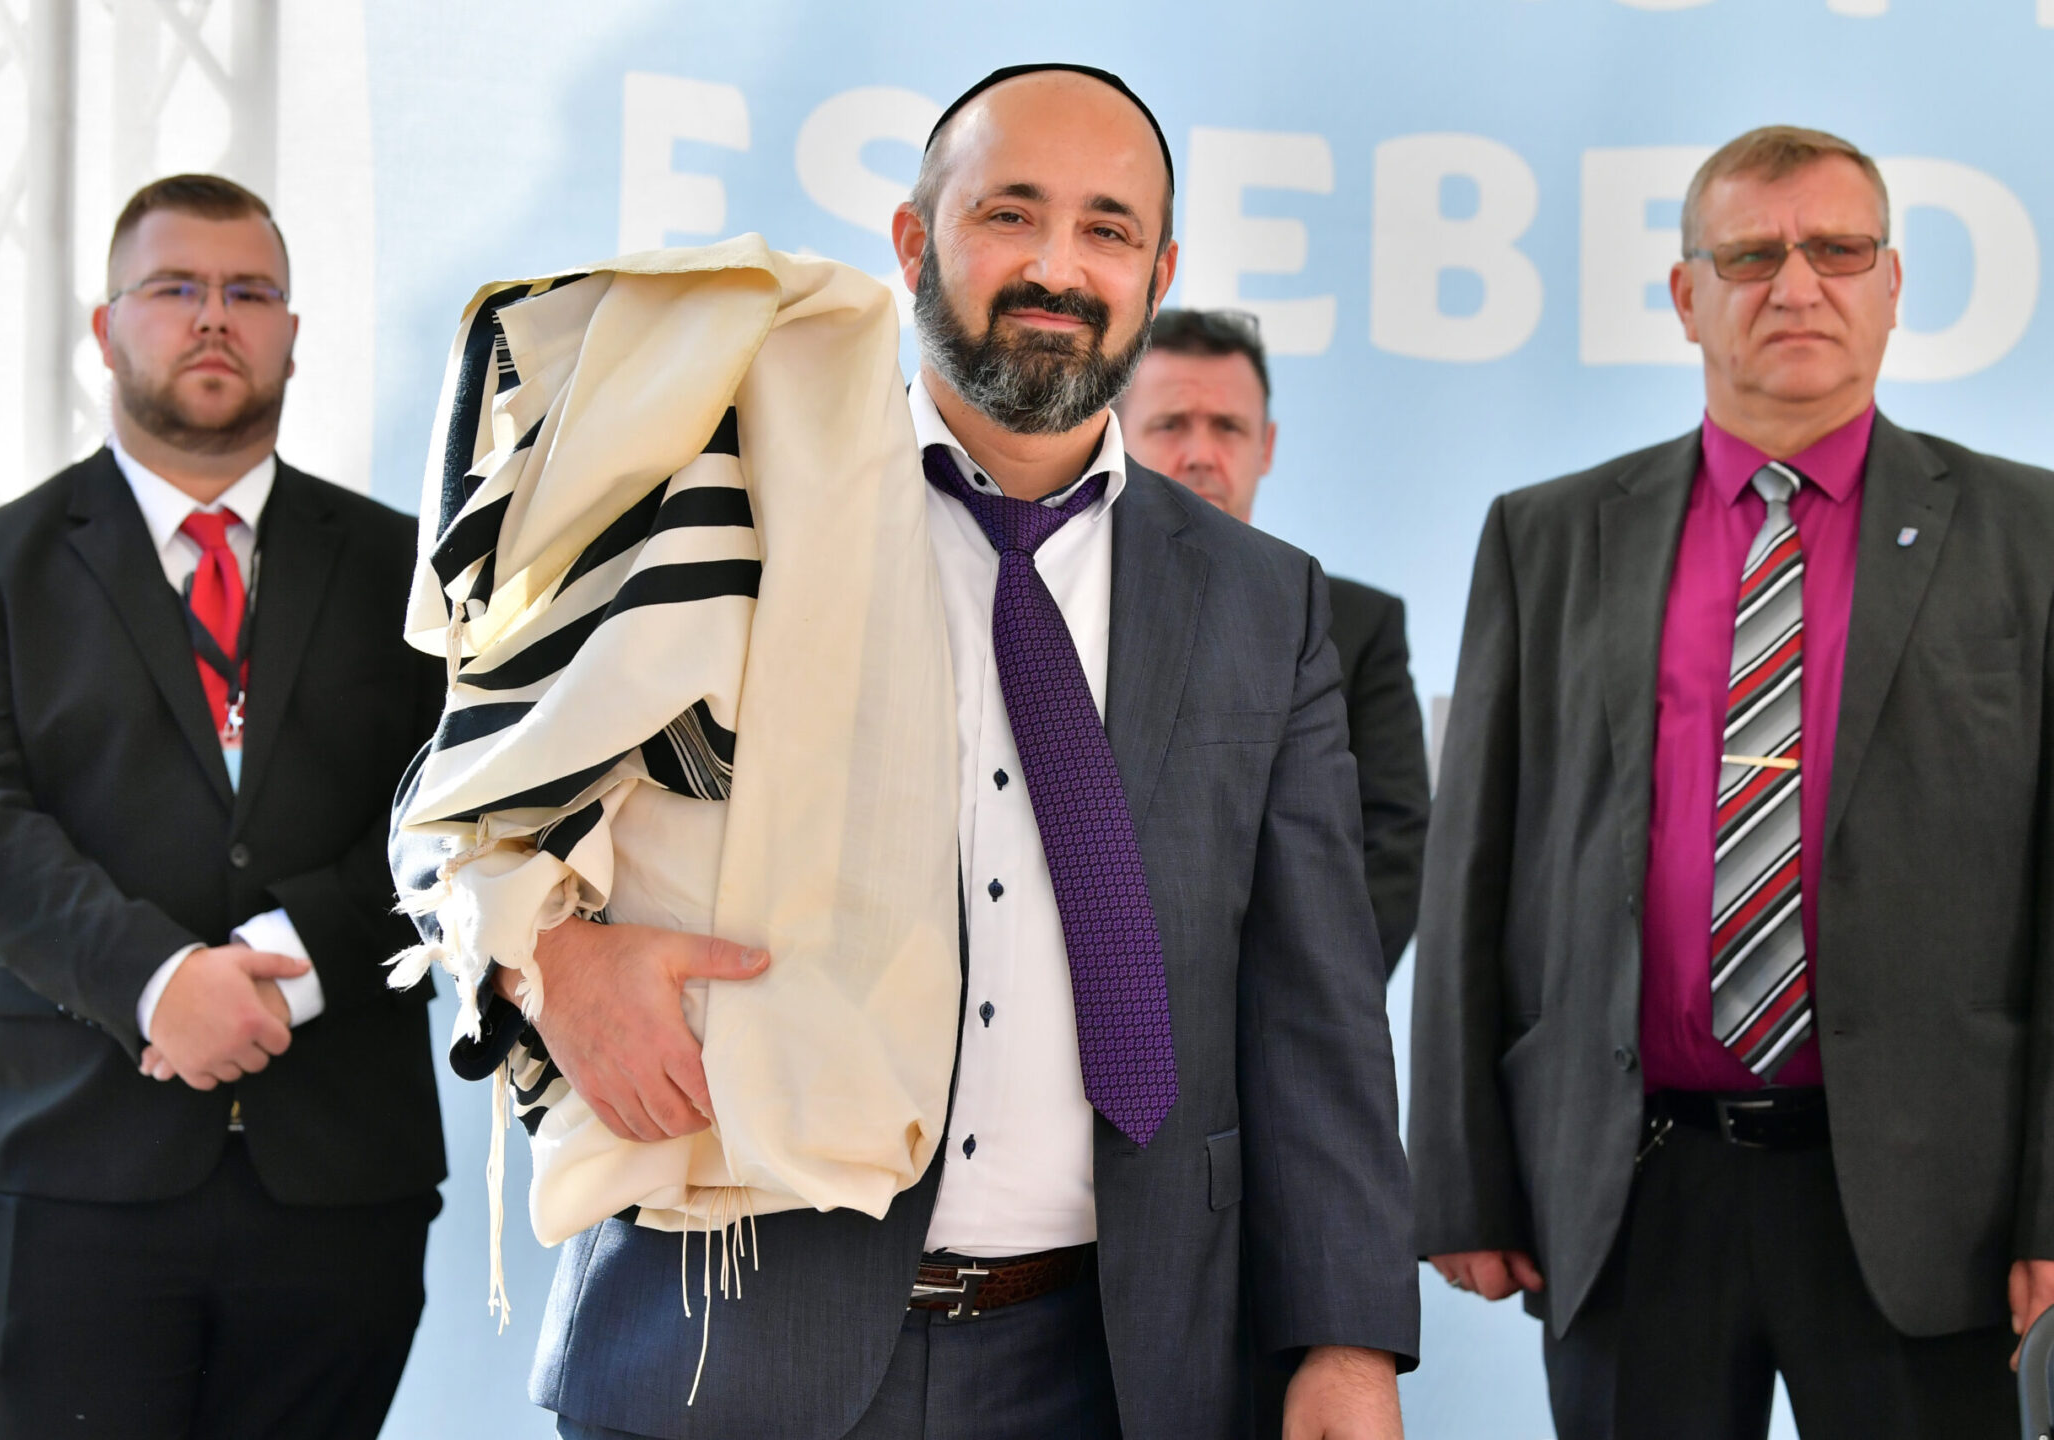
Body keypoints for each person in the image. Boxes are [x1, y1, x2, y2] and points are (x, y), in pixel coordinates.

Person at [402, 63, 1417, 1440]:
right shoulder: (722, 496)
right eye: (1011, 213)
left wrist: (1346, 1347)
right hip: (724, 1342)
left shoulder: (1267, 603)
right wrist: (549, 957)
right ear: (911, 241)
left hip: (1118, 1370)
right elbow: (458, 807)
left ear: (1159, 269)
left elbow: (1317, 1017)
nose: (1058, 265)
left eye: (1108, 230)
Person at [1409, 124, 2054, 1438]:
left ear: (1893, 283)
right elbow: (1475, 862)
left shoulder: (2030, 537)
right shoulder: (1547, 536)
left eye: (1838, 250)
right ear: (1686, 293)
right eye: (1752, 253)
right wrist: (1459, 1179)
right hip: (1630, 1189)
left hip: (1932, 1204)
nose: (1796, 284)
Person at [0, 174, 447, 1439]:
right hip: (75, 1174)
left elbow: (453, 812)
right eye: (177, 289)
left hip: (339, 1182)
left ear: (294, 335)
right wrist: (160, 980)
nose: (216, 318)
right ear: (107, 328)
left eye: (249, 292)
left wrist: (282, 962)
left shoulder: (407, 569)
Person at [1118, 308, 1431, 974]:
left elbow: (1393, 847)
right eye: (1171, 424)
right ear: (1114, 436)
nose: (1200, 453)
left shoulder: (1356, 625)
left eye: (1227, 427)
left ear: (1267, 446)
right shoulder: (1052, 606)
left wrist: (1295, 1005)